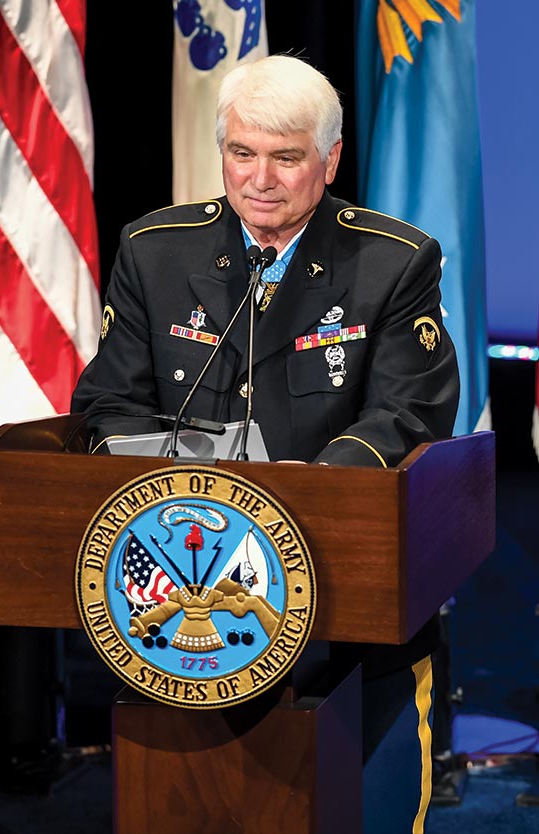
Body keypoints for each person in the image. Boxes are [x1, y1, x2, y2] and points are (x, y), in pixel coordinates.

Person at [71, 53, 460, 834]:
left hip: (349, 600)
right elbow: (108, 402)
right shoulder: (156, 251)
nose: (260, 179)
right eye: (242, 153)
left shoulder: (390, 261)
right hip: (187, 604)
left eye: (286, 158)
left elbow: (408, 415)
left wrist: (298, 496)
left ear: (329, 160)